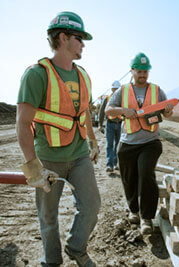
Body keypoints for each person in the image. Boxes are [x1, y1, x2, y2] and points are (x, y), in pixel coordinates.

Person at [16, 11, 101, 267]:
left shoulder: (83, 75)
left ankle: (76, 247)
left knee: (91, 206)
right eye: (79, 38)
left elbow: (84, 111)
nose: (83, 44)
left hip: (79, 156)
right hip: (49, 159)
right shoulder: (36, 75)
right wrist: (34, 168)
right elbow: (22, 123)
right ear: (63, 38)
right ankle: (51, 261)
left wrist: (93, 142)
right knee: (48, 217)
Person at [105, 52, 174, 235]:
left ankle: (147, 218)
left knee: (145, 174)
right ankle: (133, 210)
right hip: (128, 143)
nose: (143, 75)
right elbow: (108, 111)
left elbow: (167, 114)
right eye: (139, 71)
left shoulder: (157, 91)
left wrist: (168, 111)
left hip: (150, 142)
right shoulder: (123, 91)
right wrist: (123, 110)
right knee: (129, 179)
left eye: (145, 71)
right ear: (132, 71)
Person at [98, 81, 122, 172]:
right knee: (110, 145)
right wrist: (100, 124)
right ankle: (110, 165)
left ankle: (115, 164)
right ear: (112, 89)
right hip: (110, 124)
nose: (116, 91)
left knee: (118, 145)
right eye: (114, 89)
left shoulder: (123, 99)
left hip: (120, 124)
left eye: (117, 89)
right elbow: (101, 111)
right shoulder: (107, 99)